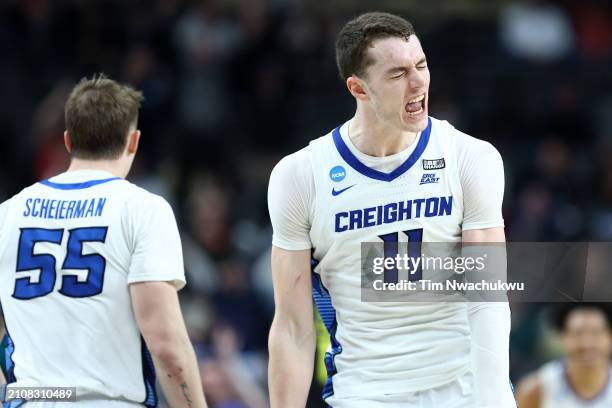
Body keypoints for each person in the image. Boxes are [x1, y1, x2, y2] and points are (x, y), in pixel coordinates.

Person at [267, 11, 516, 408]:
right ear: (358, 88)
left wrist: (493, 400)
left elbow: (486, 299)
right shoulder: (299, 177)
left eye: (421, 64)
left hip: (462, 387)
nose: (418, 81)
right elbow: (293, 329)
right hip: (364, 392)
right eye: (398, 74)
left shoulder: (470, 157)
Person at [0, 75, 206, 408]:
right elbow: (166, 343)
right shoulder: (143, 210)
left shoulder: (7, 214)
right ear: (133, 142)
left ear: (67, 141)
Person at [516, 303, 612, 407]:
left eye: (596, 333)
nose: (587, 344)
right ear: (563, 338)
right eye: (578, 333)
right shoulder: (536, 390)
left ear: (609, 337)